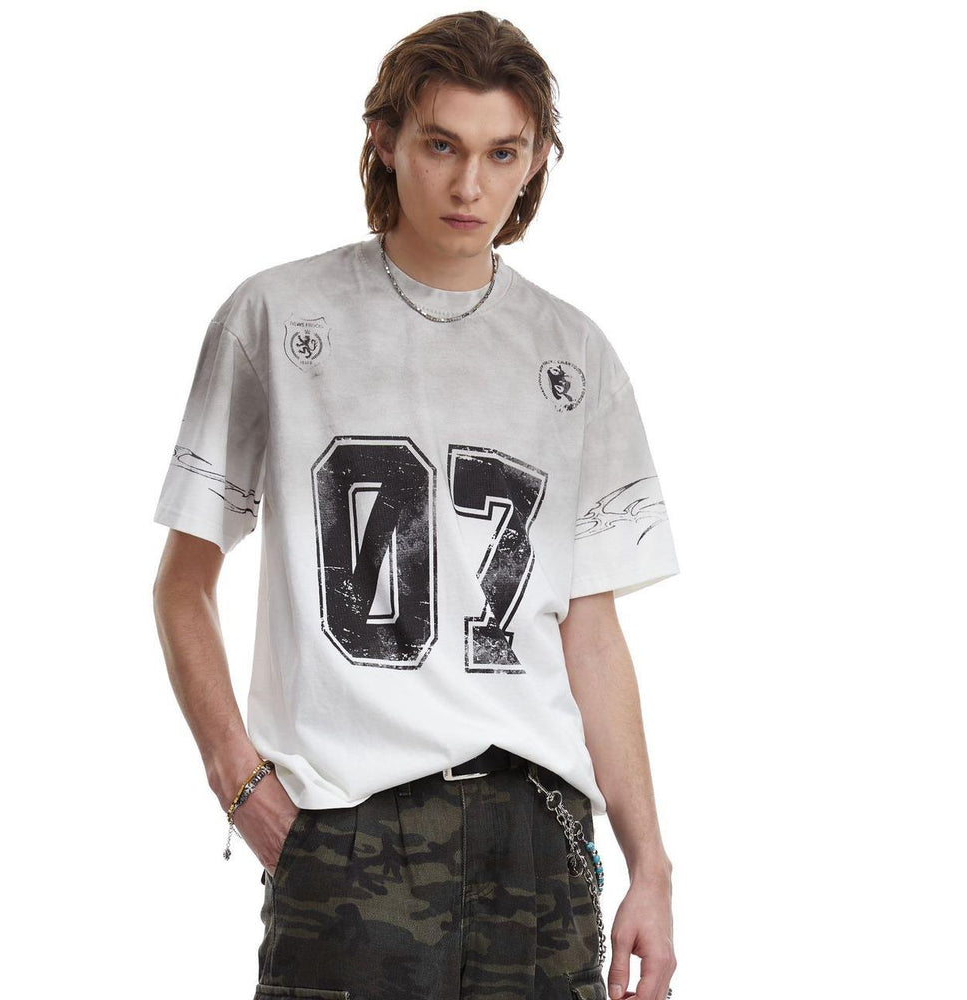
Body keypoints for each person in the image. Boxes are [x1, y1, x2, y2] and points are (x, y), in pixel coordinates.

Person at [152, 11, 679, 1000]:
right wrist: (239, 779)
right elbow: (184, 581)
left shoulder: (574, 352)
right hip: (353, 825)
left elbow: (591, 628)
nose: (469, 185)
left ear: (535, 161)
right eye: (442, 145)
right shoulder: (276, 316)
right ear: (386, 139)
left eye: (501, 152)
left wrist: (649, 861)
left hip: (539, 831)